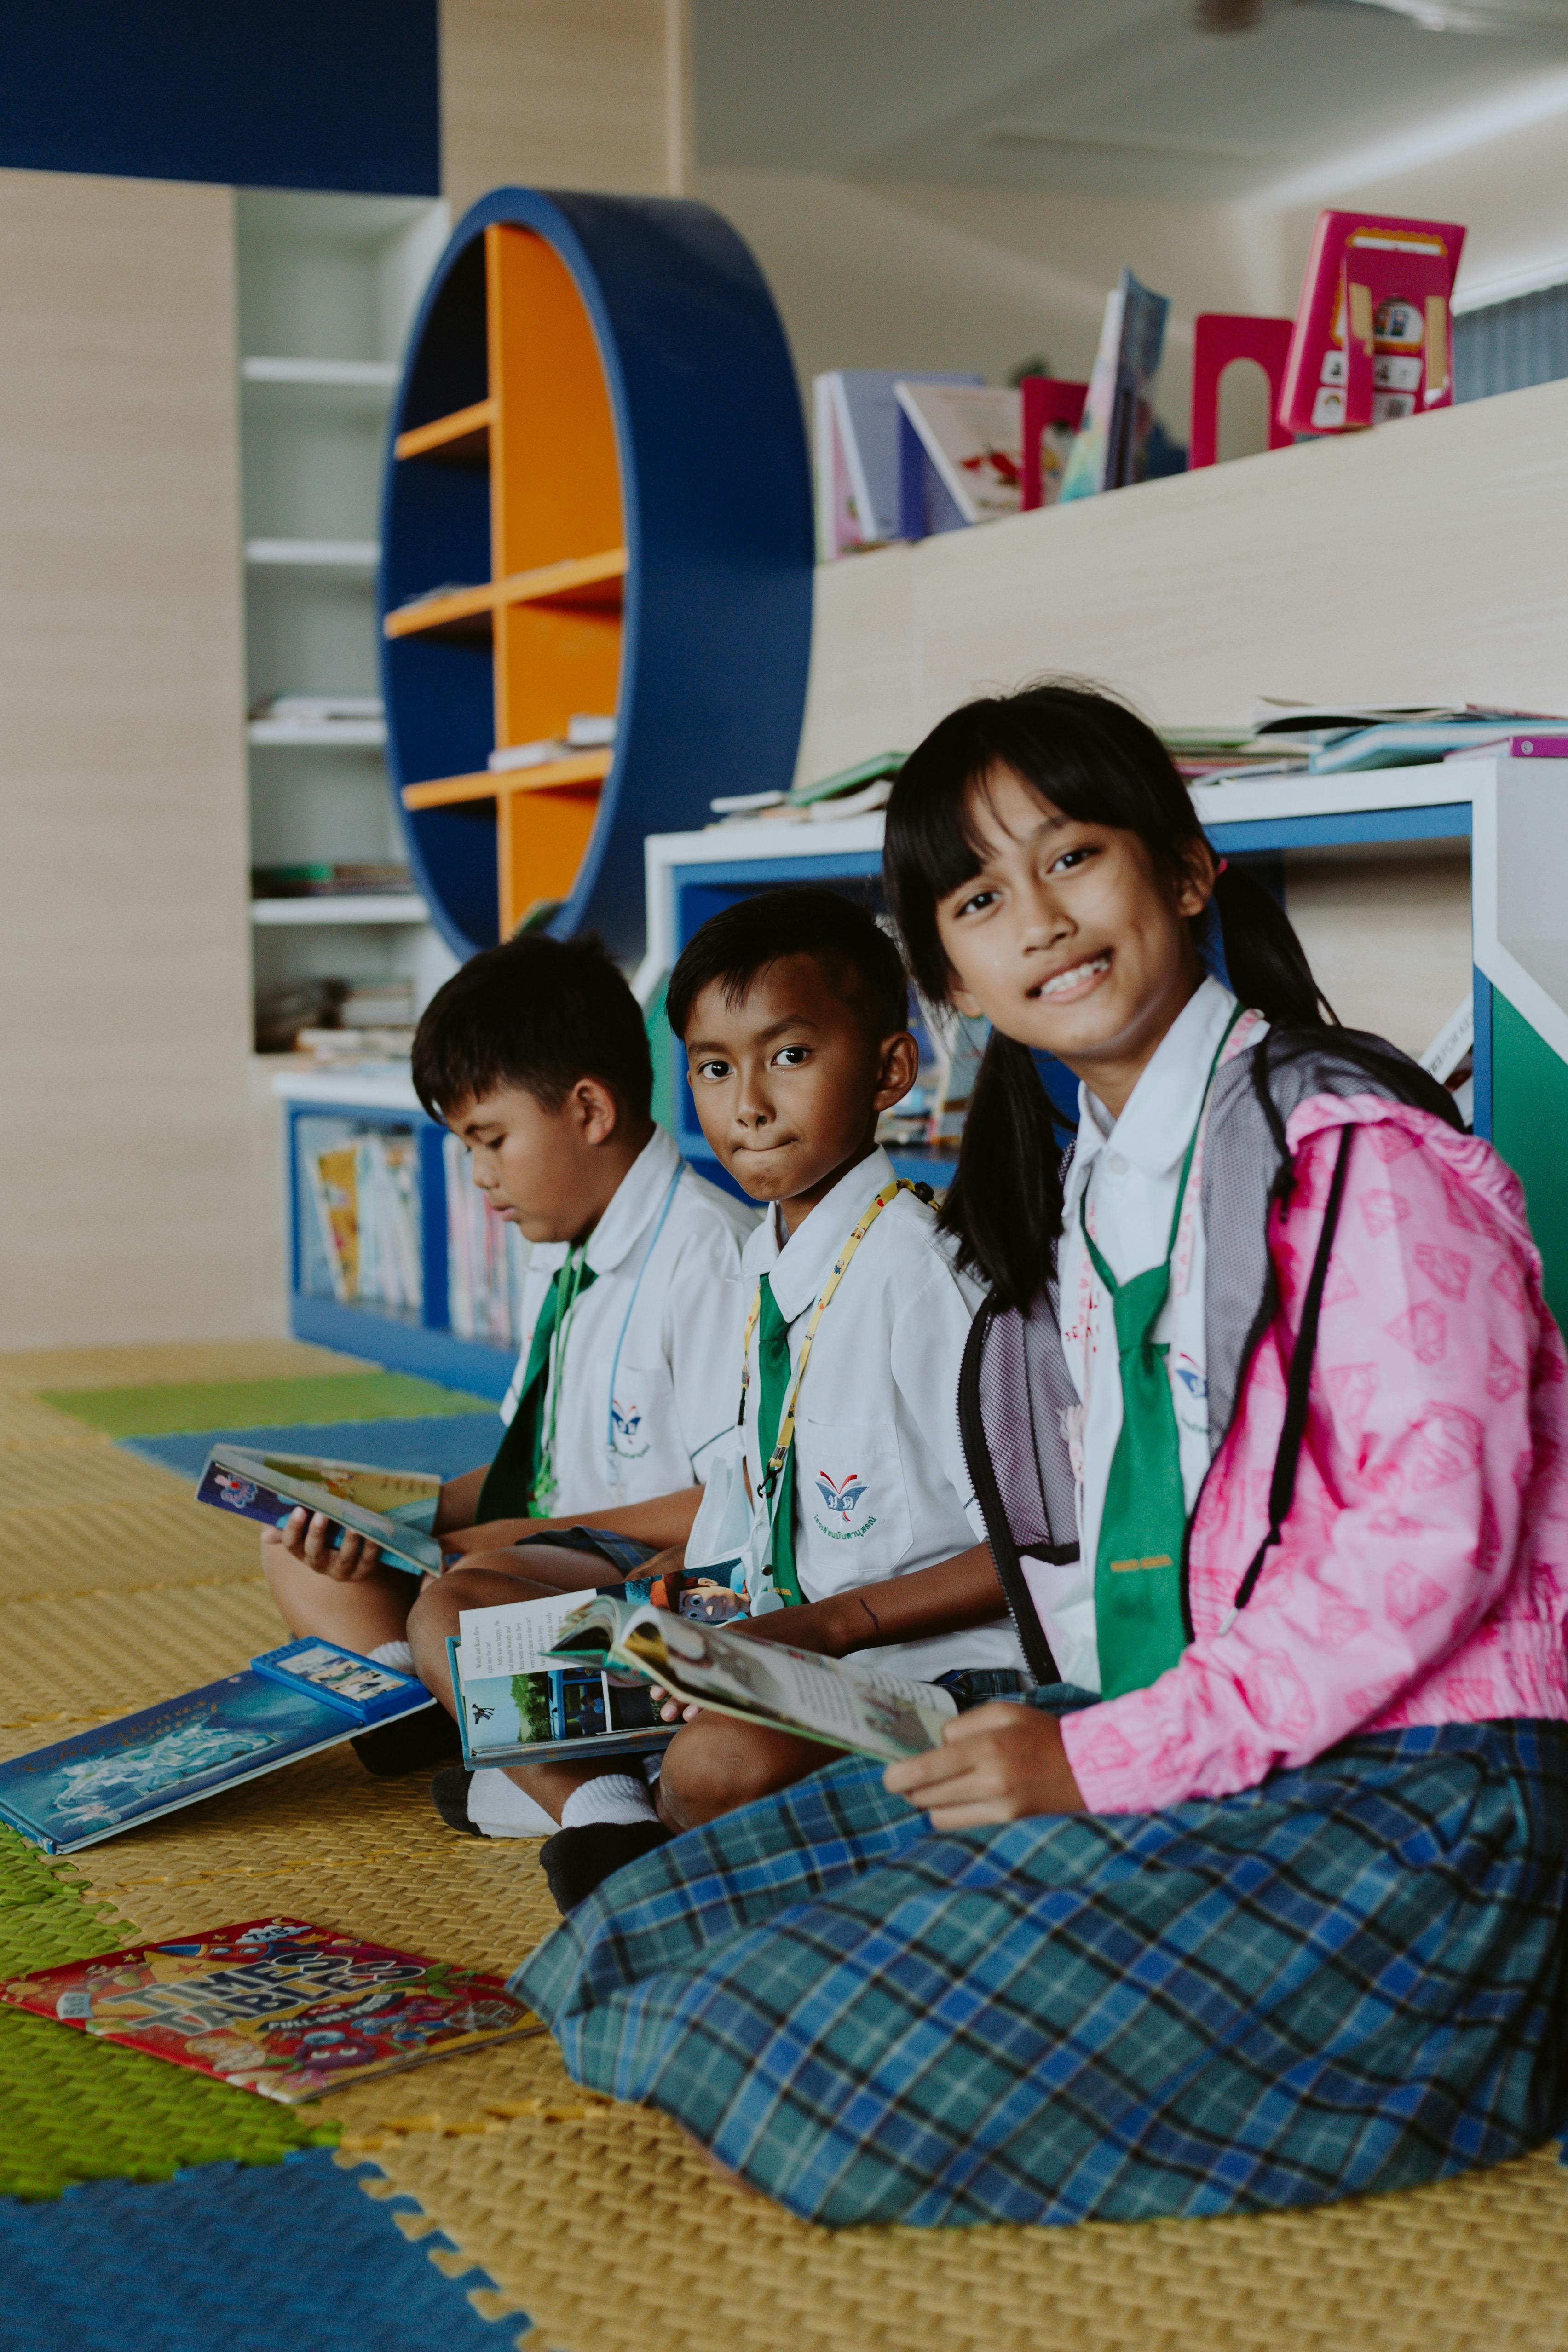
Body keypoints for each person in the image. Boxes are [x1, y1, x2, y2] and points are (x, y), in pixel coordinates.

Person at [513, 681, 1568, 2231]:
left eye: (1072, 856)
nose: (1040, 922)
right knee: (636, 1942)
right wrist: (1055, 1737)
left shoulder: (1359, 1157)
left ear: (1184, 870)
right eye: (979, 895)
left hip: (1432, 1798)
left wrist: (1089, 1762)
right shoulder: (1096, 1186)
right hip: (1208, 1729)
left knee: (818, 2077)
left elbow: (1426, 1557)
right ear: (945, 972)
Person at [415, 885, 1025, 1911]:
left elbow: (1030, 1546)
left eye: (789, 1057)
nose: (746, 1104)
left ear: (889, 1070)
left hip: (920, 1668)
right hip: (758, 1641)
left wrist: (828, 1629)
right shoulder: (765, 1263)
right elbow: (750, 1485)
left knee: (720, 1765)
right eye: (712, 1067)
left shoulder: (922, 1273)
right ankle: (616, 1806)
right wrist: (675, 1585)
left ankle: (620, 1797)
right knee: (470, 1616)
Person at [260, 933, 752, 1804]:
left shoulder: (707, 1256)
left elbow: (728, 1505)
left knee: (464, 1587)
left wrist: (489, 1541)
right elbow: (543, 1462)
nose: (480, 1177)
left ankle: (540, 1768)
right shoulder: (557, 1250)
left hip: (660, 1572)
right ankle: (434, 1706)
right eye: (465, 1146)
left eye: (491, 1139)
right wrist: (384, 1507)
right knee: (300, 1551)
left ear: (590, 1110)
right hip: (549, 1554)